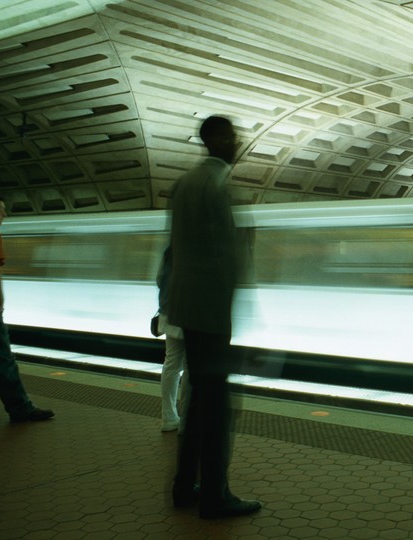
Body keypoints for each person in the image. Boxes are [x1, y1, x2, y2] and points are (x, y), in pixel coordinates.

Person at [167, 116, 261, 519]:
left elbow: (173, 250)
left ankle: (185, 486)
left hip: (187, 307)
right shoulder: (220, 187)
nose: (238, 143)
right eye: (234, 137)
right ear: (219, 140)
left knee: (198, 402)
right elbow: (226, 256)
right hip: (211, 311)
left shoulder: (184, 184)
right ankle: (215, 495)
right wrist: (240, 305)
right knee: (218, 405)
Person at [0, 194, 54, 423]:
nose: (4, 214)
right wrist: (0, 301)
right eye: (0, 209)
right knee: (1, 359)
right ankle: (20, 408)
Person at [156, 246, 188, 432]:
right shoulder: (197, 247)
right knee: (190, 365)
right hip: (190, 314)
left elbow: (160, 279)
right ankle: (187, 421)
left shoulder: (170, 249)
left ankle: (168, 418)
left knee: (172, 364)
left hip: (168, 312)